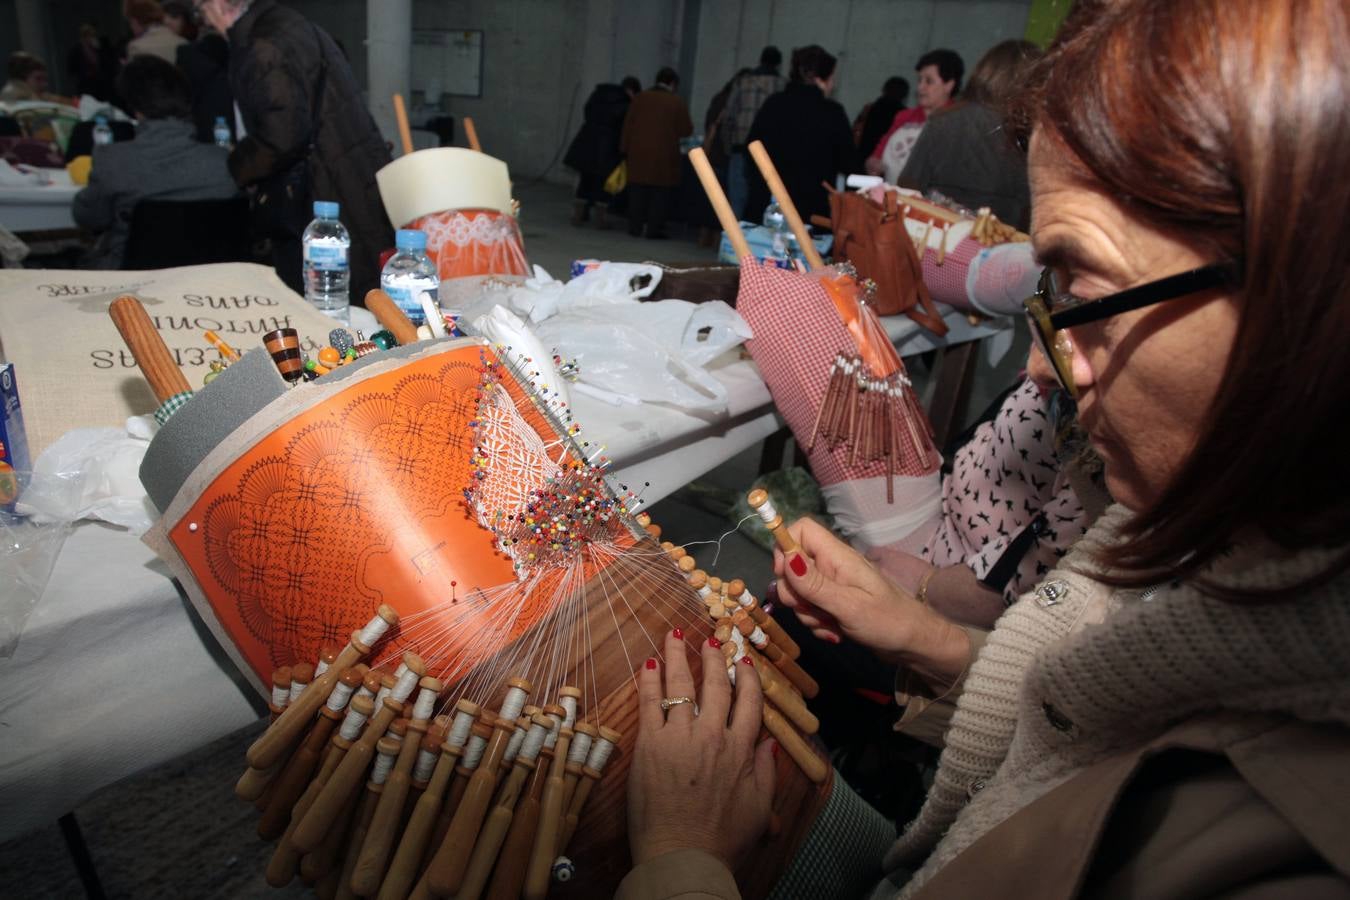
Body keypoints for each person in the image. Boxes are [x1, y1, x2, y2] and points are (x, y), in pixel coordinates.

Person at [621, 0, 1350, 897]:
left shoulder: (1276, 847)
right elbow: (1072, 718)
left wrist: (680, 860)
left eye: (1081, 280)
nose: (1044, 370)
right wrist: (928, 640)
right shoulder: (1214, 557)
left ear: (1313, 289)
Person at [197, 0, 394, 297]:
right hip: (345, 179)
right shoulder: (293, 25)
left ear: (219, 4)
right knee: (356, 290)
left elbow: (282, 136)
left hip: (318, 191)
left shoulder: (263, 44)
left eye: (202, 9)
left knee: (319, 299)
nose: (205, 21)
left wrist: (235, 166)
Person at [72, 55, 238, 269]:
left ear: (134, 105)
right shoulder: (224, 163)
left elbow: (89, 218)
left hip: (127, 281)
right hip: (204, 281)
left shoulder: (113, 160)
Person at [899, 40, 1042, 229]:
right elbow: (1033, 208)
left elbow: (909, 185)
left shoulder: (942, 120)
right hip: (1002, 245)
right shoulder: (1029, 132)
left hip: (939, 238)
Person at [743, 45, 859, 225]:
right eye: (832, 77)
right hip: (810, 214)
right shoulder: (832, 113)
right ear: (820, 79)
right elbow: (849, 162)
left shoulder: (773, 104)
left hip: (767, 207)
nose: (833, 83)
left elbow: (751, 150)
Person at [866, 48, 963, 183]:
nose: (920, 87)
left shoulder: (959, 123)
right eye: (919, 80)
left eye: (929, 81)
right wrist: (873, 163)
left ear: (949, 85)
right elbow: (877, 156)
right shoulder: (904, 117)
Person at [620, 67, 693, 240]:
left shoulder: (640, 98)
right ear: (673, 83)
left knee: (637, 191)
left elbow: (627, 125)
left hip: (638, 153)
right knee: (660, 194)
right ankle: (653, 229)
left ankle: (634, 227)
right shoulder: (676, 102)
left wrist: (624, 148)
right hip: (664, 155)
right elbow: (686, 129)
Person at [715, 46, 786, 219]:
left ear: (760, 60)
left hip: (741, 146)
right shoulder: (783, 86)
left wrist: (727, 145)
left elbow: (729, 116)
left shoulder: (743, 82)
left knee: (737, 200)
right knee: (765, 201)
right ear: (778, 64)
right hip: (770, 151)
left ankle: (734, 242)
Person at [563, 76, 639, 229]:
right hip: (608, 147)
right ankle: (600, 220)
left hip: (587, 142)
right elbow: (624, 128)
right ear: (631, 91)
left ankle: (578, 216)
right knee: (604, 185)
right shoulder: (625, 104)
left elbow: (587, 112)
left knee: (585, 181)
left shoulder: (598, 95)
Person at [853, 76, 909, 159]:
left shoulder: (869, 109)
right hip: (888, 163)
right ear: (904, 95)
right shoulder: (906, 115)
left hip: (863, 159)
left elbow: (856, 131)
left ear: (884, 89)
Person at [125, 0, 187, 65]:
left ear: (135, 21)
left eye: (130, 23)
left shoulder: (136, 47)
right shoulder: (184, 43)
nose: (131, 27)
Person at [66, 25, 118, 102]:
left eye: (92, 35)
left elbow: (106, 62)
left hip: (99, 83)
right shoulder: (76, 50)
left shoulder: (97, 47)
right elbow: (71, 68)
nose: (91, 38)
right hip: (85, 84)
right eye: (89, 35)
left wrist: (99, 49)